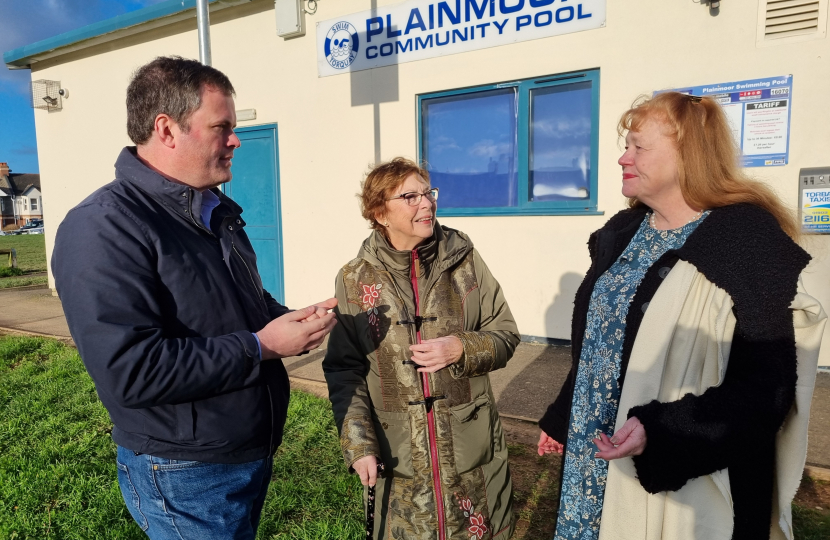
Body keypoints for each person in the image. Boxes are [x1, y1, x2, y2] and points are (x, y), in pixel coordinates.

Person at [51, 56, 337, 539]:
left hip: (241, 452)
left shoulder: (213, 209)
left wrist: (293, 320)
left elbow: (239, 304)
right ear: (166, 129)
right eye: (221, 126)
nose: (235, 139)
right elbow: (131, 372)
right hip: (182, 471)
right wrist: (263, 346)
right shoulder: (103, 226)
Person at [537, 92, 826, 540]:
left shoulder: (746, 241)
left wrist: (664, 430)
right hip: (593, 452)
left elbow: (767, 387)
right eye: (625, 145)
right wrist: (562, 418)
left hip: (684, 469)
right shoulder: (622, 232)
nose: (622, 158)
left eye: (638, 146)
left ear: (688, 155)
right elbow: (599, 345)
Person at [322, 158, 519, 540]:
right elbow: (346, 369)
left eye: (428, 193)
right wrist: (359, 444)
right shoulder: (353, 279)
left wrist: (461, 347)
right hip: (398, 457)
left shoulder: (466, 262)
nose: (426, 204)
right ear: (380, 213)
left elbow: (506, 335)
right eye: (410, 196)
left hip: (470, 452)